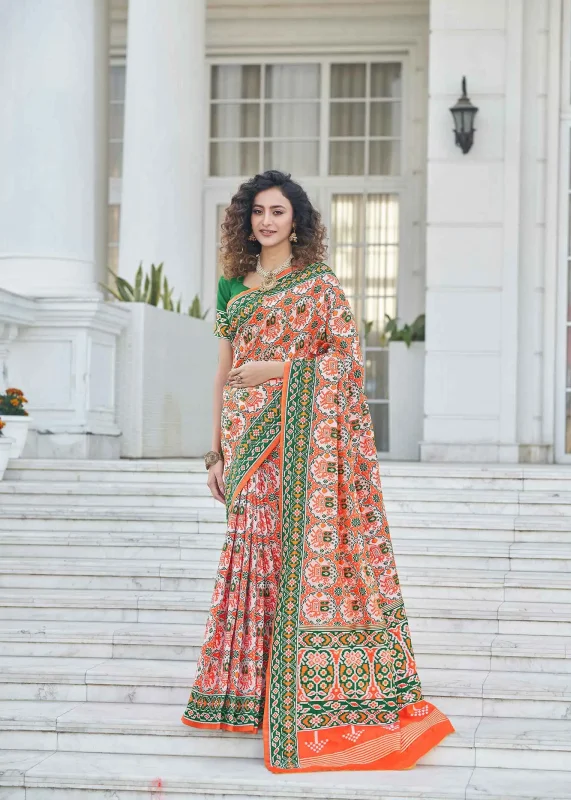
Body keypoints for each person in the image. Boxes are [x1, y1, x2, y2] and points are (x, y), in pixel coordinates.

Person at [181, 170, 454, 773]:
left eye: (277, 211)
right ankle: (250, 698)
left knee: (293, 558)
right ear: (245, 221)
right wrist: (215, 452)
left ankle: (302, 704)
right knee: (253, 554)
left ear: (296, 221)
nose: (266, 221)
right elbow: (222, 372)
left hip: (302, 439)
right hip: (247, 441)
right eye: (257, 211)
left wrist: (277, 371)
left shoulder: (320, 285)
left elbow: (345, 362)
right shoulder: (234, 283)